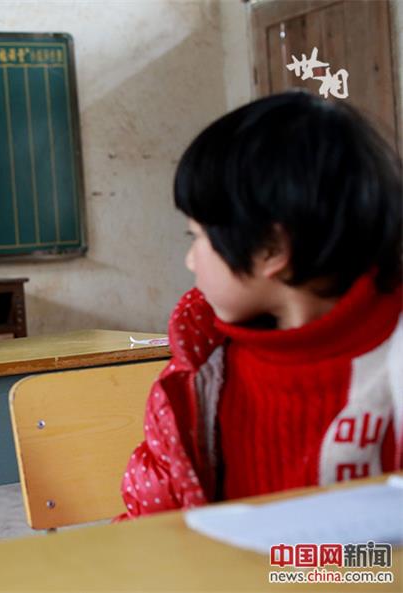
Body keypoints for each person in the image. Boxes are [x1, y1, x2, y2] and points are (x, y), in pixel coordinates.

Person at [119, 91, 402, 519]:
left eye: (197, 237)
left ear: (271, 249)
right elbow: (153, 521)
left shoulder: (392, 357)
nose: (190, 260)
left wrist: (292, 567)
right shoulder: (199, 374)